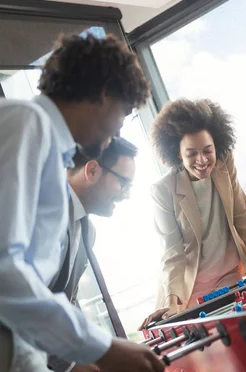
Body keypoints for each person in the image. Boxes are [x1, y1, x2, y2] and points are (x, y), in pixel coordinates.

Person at [0, 34, 163, 372]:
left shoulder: (48, 149)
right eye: (125, 112)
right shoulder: (26, 122)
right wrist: (99, 349)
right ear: (105, 94)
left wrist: (75, 363)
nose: (118, 130)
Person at [140, 99, 246, 328]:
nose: (202, 160)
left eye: (207, 150)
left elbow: (243, 219)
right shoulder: (162, 190)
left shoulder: (224, 164)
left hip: (229, 274)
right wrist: (172, 301)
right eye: (191, 154)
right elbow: (172, 252)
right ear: (177, 154)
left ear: (216, 146)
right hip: (189, 286)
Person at [48, 137, 139, 372]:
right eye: (123, 183)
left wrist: (95, 353)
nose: (127, 195)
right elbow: (27, 306)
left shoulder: (89, 233)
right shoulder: (45, 215)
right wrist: (71, 365)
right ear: (92, 170)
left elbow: (68, 306)